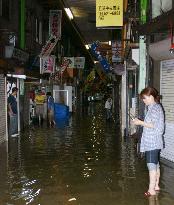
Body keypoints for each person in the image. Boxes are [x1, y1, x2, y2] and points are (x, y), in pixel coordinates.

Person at [132, 87, 164, 197]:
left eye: (144, 98)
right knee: (156, 164)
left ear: (151, 97)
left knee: (151, 165)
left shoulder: (155, 108)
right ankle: (156, 186)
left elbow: (155, 126)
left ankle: (151, 190)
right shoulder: (153, 107)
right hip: (154, 141)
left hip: (152, 142)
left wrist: (140, 122)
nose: (143, 101)